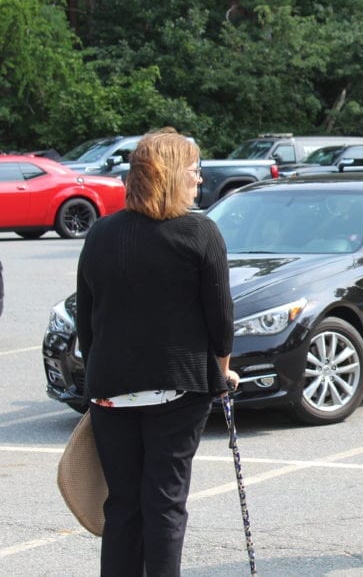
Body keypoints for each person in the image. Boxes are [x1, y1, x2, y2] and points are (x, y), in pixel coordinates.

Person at [76, 127, 239, 576]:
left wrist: (98, 375)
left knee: (122, 505)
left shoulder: (101, 233)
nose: (199, 179)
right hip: (176, 389)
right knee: (164, 503)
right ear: (169, 175)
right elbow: (220, 322)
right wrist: (223, 372)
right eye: (193, 170)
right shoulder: (200, 232)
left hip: (110, 391)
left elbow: (87, 320)